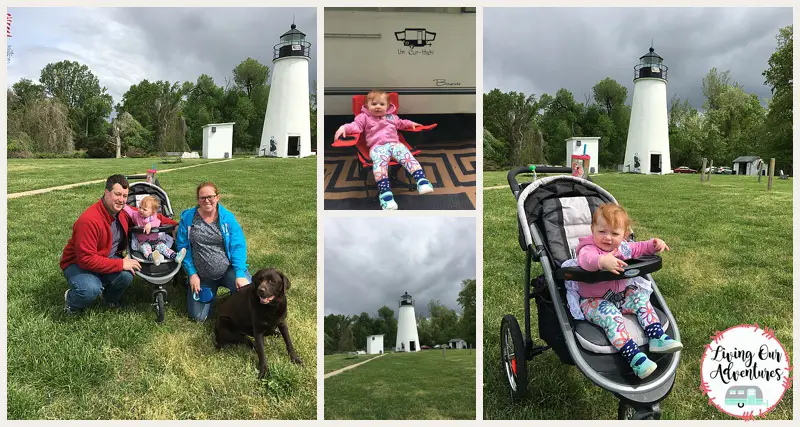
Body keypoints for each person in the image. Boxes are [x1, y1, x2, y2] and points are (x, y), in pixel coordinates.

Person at [574, 203, 683, 379]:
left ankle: (657, 337)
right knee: (612, 317)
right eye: (602, 232)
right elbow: (586, 260)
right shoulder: (589, 249)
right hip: (593, 301)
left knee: (640, 298)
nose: (608, 238)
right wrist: (602, 262)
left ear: (624, 235)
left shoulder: (622, 247)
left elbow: (638, 248)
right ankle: (635, 358)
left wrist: (653, 244)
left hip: (621, 296)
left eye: (615, 234)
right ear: (592, 229)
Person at [60, 174, 177, 314]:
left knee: (127, 274)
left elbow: (155, 217)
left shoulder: (123, 212)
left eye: (125, 196)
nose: (121, 200)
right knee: (90, 289)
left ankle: (108, 298)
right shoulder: (89, 220)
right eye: (117, 194)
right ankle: (72, 302)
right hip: (78, 263)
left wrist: (175, 226)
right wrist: (120, 264)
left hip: (106, 257)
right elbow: (86, 259)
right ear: (106, 192)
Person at [334, 90, 434, 210]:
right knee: (380, 164)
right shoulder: (364, 117)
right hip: (377, 147)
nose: (378, 107)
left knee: (406, 155)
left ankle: (421, 180)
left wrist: (411, 123)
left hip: (394, 144)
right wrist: (343, 128)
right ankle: (386, 195)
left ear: (387, 106)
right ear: (366, 106)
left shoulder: (392, 117)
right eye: (374, 104)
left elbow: (402, 123)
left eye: (382, 104)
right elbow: (355, 126)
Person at [176, 181, 252, 322]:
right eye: (202, 198)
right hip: (202, 276)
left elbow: (238, 246)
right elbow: (182, 247)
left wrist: (240, 273)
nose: (206, 201)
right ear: (198, 199)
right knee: (199, 317)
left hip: (228, 270)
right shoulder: (188, 218)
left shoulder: (228, 218)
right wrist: (192, 273)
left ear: (217, 197)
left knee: (250, 298)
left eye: (210, 196)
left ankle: (232, 298)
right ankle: (219, 297)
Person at [123, 195, 186, 266]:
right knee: (145, 248)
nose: (141, 210)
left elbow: (157, 222)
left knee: (163, 247)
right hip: (143, 242)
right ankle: (153, 257)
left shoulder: (153, 217)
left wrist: (150, 224)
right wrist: (123, 204)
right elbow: (129, 210)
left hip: (156, 241)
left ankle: (175, 256)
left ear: (152, 212)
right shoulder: (135, 215)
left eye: (144, 209)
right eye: (140, 207)